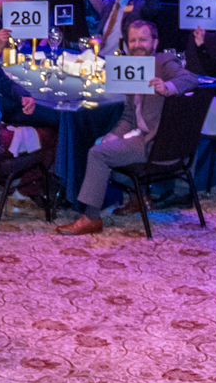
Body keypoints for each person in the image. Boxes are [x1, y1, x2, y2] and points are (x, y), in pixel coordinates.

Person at [55, 19, 190, 235]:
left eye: (143, 40)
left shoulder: (163, 62)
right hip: (140, 136)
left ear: (155, 43)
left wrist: (168, 86)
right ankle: (137, 198)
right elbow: (128, 116)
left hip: (156, 143)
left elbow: (189, 78)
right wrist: (112, 136)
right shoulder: (131, 68)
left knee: (98, 154)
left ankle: (91, 218)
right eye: (132, 40)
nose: (137, 45)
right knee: (100, 144)